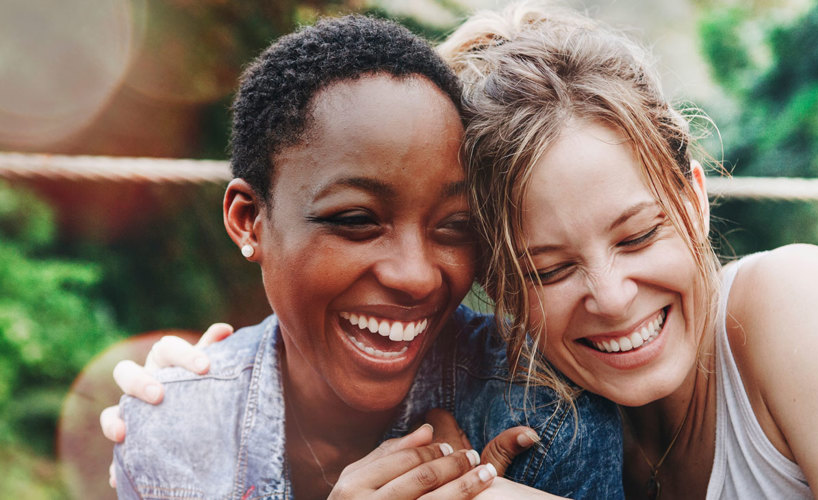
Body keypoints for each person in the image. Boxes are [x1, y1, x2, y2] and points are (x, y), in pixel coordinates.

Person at [107, 13, 623, 500]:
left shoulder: (547, 420)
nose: (415, 276)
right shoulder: (171, 434)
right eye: (357, 221)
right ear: (250, 220)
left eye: (455, 226)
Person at [438, 3, 818, 498]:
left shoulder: (804, 299)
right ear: (500, 291)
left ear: (693, 199)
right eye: (550, 270)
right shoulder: (535, 431)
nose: (613, 297)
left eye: (638, 236)